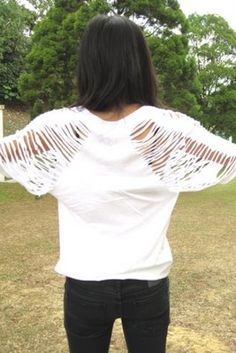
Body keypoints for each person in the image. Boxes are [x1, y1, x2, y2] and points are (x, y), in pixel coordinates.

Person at [0, 14, 235, 353]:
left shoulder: (57, 128)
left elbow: (8, 151)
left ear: (88, 63)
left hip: (86, 283)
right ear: (141, 62)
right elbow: (229, 156)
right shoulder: (168, 129)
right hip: (149, 283)